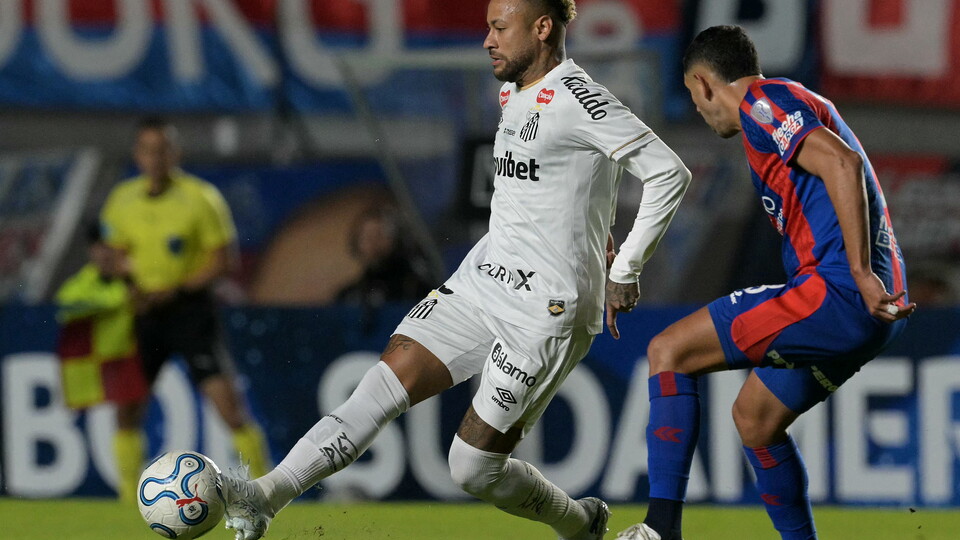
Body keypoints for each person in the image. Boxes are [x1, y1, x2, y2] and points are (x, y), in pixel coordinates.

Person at [219, 1, 690, 539]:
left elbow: (667, 173)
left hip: (544, 308)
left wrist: (625, 268)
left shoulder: (578, 98)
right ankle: (263, 497)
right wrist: (592, 225)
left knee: (471, 468)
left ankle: (579, 523)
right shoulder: (512, 91)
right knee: (378, 389)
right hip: (483, 279)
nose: (487, 40)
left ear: (542, 28)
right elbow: (558, 182)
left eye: (499, 28)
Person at [615, 25, 915, 540]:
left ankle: (661, 529)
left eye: (693, 95)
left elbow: (841, 162)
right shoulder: (791, 103)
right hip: (873, 306)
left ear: (704, 83)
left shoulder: (763, 104)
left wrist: (859, 273)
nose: (699, 110)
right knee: (755, 418)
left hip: (841, 293)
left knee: (669, 350)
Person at [100, 117, 270, 488]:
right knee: (126, 410)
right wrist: (127, 285)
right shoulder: (121, 199)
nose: (155, 158)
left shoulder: (200, 197)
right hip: (142, 314)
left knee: (229, 407)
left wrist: (176, 289)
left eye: (162, 150)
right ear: (137, 155)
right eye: (148, 150)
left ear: (175, 153)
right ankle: (127, 499)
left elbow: (223, 261)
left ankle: (264, 488)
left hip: (190, 312)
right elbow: (112, 255)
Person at [55, 221, 151, 503]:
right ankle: (128, 492)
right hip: (110, 358)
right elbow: (67, 307)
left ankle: (133, 489)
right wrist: (120, 298)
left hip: (137, 352)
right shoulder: (83, 283)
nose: (107, 253)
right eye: (101, 247)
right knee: (125, 418)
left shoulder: (138, 276)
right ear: (91, 251)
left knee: (132, 416)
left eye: (112, 247)